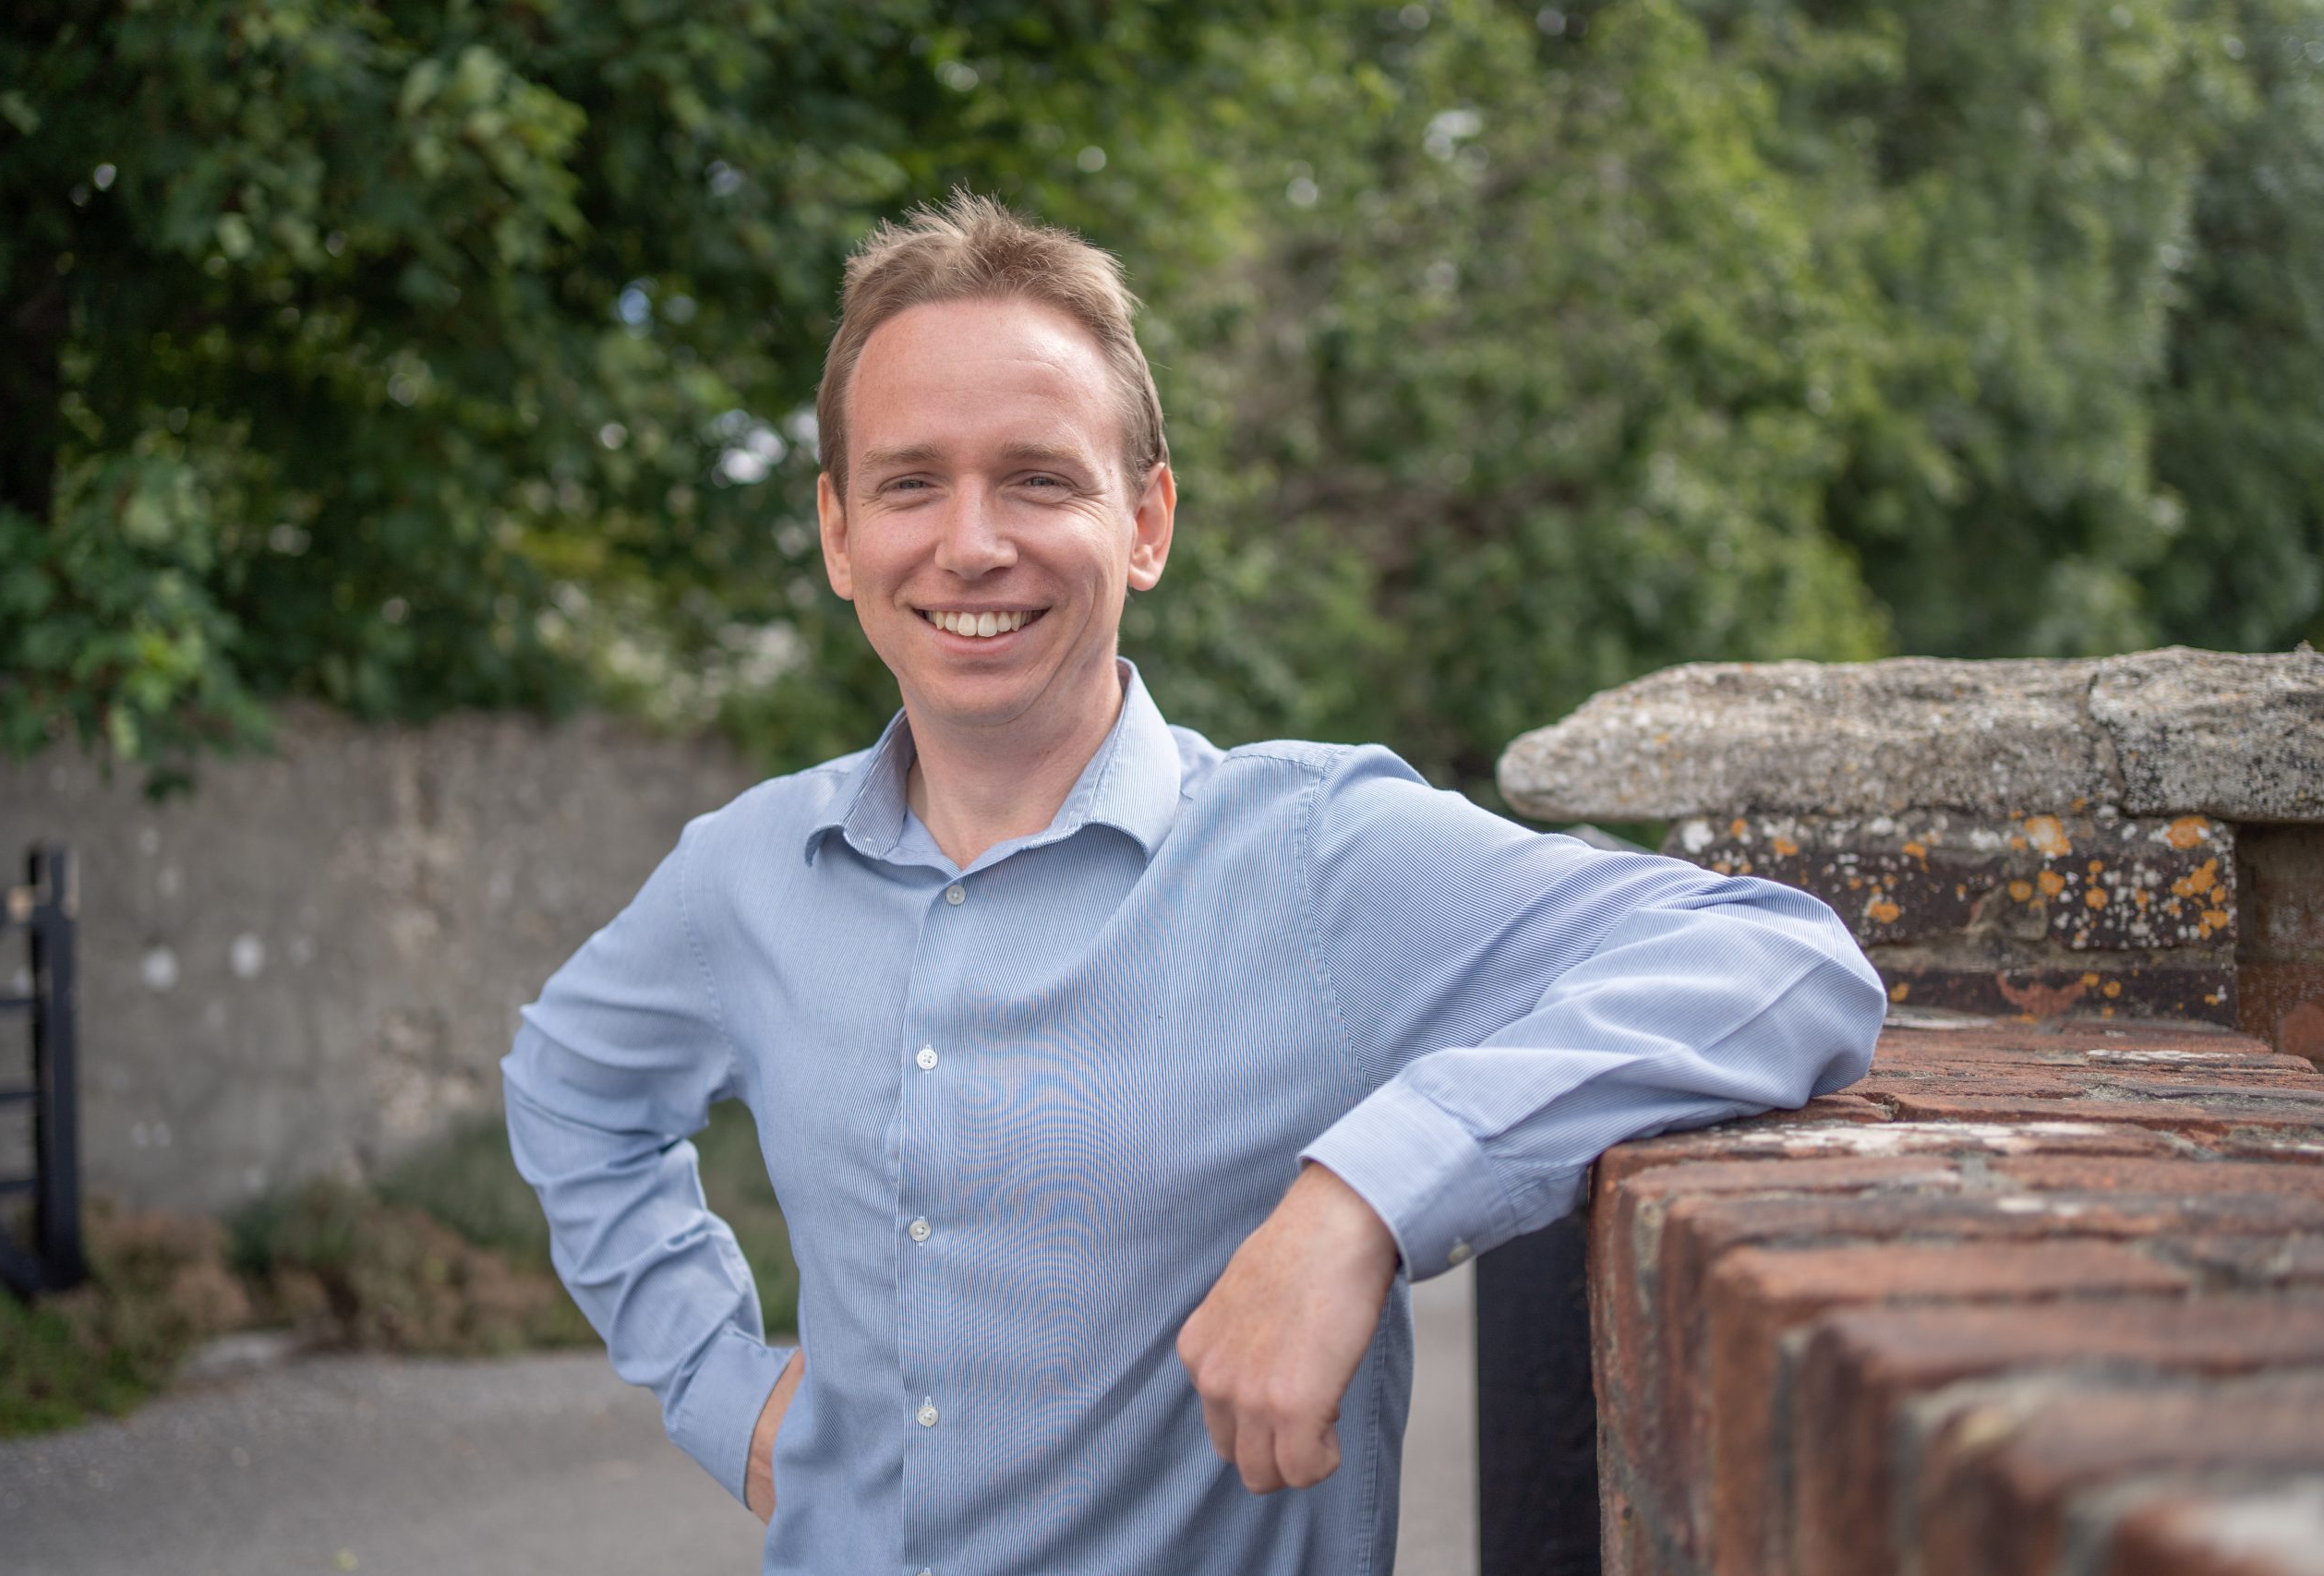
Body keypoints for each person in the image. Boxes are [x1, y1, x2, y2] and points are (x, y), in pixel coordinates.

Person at [501, 191, 1884, 1575]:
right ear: (839, 533)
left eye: (1039, 478)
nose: (971, 544)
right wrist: (724, 1392)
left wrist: (1363, 1196)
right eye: (911, 482)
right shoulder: (745, 872)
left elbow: (1782, 965)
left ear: (1148, 523)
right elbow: (571, 1090)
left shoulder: (1313, 848)